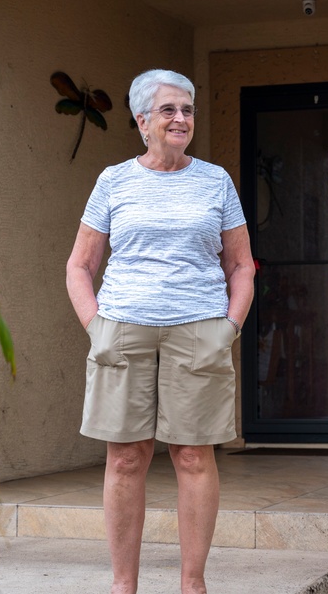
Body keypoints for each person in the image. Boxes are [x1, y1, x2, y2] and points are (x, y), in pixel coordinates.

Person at [65, 68, 255, 594]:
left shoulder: (215, 181)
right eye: (169, 110)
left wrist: (230, 327)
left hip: (199, 329)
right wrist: (95, 327)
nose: (181, 119)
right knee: (127, 458)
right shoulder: (113, 180)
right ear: (142, 120)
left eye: (188, 110)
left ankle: (192, 585)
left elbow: (241, 265)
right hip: (123, 329)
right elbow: (80, 265)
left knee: (193, 456)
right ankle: (123, 586)